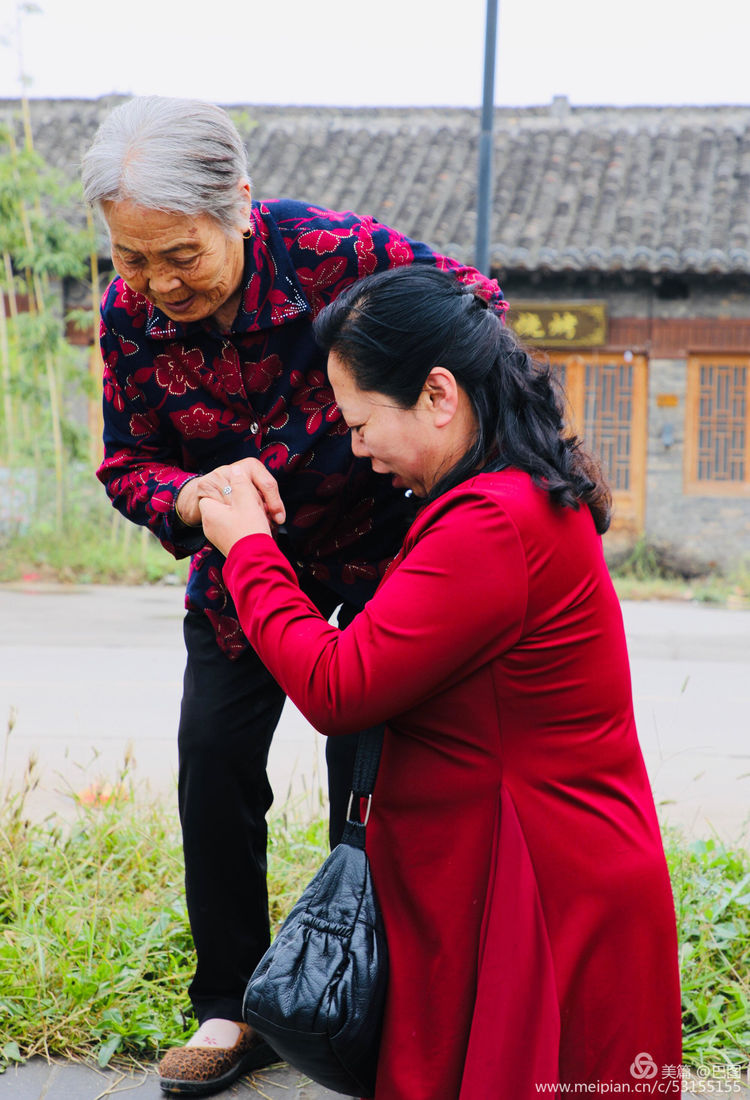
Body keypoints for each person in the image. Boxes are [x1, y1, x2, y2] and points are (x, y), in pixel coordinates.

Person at [80, 96, 506, 1096]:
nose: (153, 284)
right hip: (241, 576)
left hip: (388, 561)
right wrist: (189, 494)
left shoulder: (336, 254)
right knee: (214, 768)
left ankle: (355, 998)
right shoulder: (128, 316)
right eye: (131, 259)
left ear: (237, 205)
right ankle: (232, 1006)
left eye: (179, 255)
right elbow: (123, 462)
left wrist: (449, 469)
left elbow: (475, 309)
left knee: (371, 785)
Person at [199, 265, 683, 1100]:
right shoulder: (510, 495)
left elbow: (336, 687)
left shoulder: (492, 521)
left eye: (360, 422)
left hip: (532, 892)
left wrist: (247, 548)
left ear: (437, 394)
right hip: (515, 870)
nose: (356, 448)